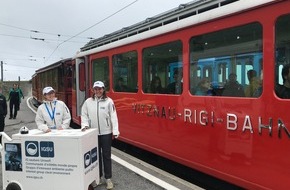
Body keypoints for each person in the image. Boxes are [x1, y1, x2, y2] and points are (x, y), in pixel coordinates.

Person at [81, 81, 119, 190]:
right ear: (93, 90)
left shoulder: (109, 101)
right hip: (93, 134)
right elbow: (84, 114)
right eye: (96, 89)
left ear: (103, 89)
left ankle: (108, 179)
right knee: (95, 156)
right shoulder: (88, 102)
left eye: (100, 89)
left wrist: (115, 131)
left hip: (106, 133)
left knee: (106, 156)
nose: (98, 91)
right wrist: (85, 125)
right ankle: (97, 178)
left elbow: (113, 117)